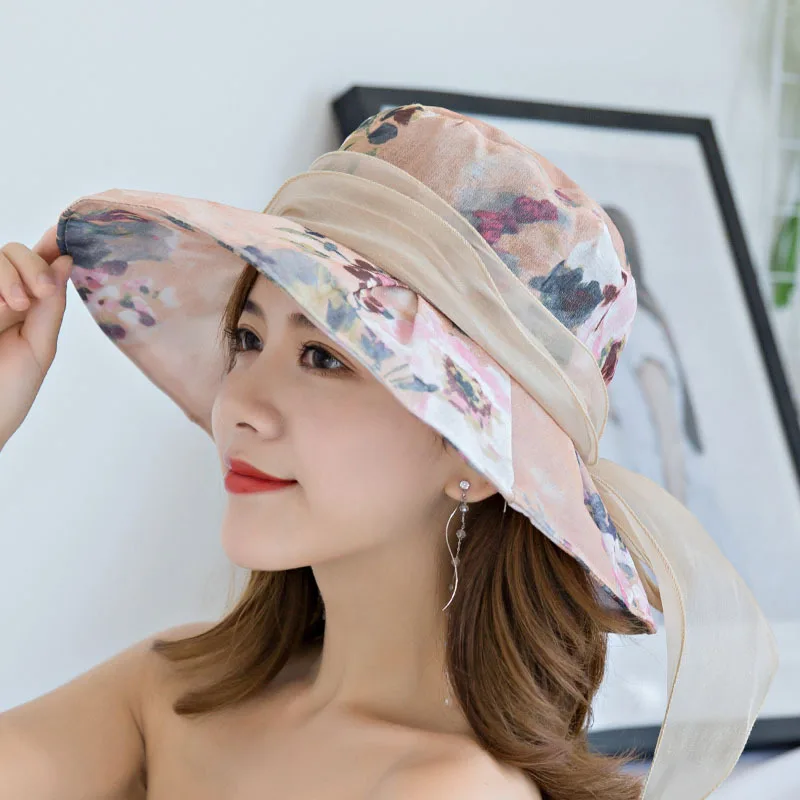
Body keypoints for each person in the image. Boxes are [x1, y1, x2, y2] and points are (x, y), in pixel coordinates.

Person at [0, 104, 776, 800]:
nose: (238, 406)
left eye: (323, 357)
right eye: (247, 338)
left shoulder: (446, 789)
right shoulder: (170, 689)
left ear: (475, 459)